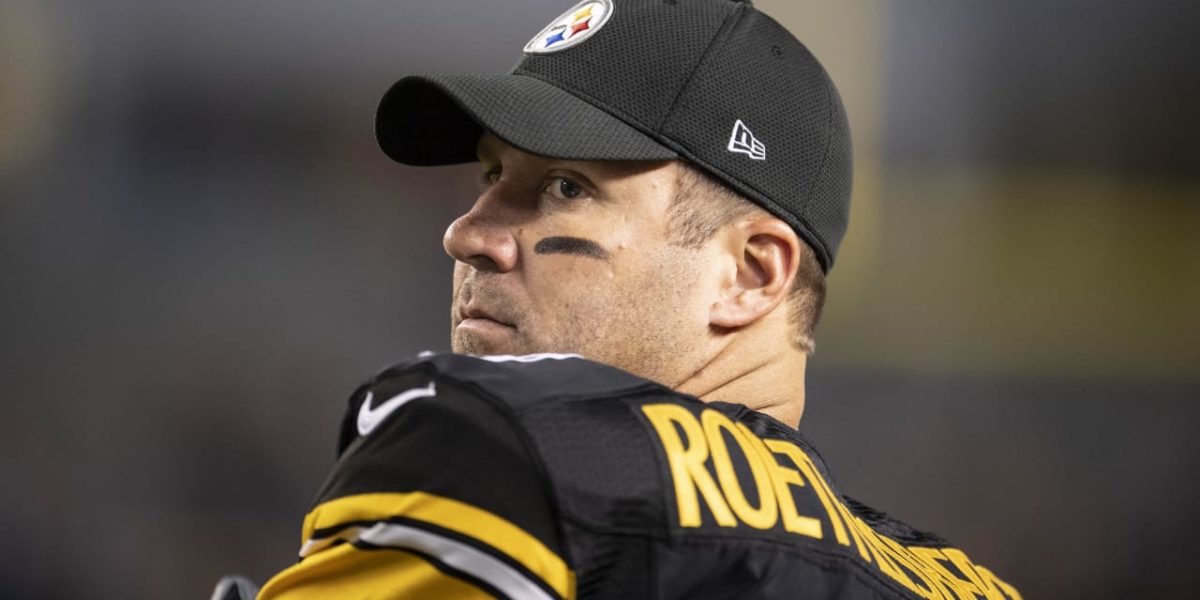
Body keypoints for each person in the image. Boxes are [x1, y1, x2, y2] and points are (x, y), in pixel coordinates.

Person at [233, 0, 1022, 598]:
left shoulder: (504, 453)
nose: (467, 234)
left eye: (565, 186)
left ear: (751, 275)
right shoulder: (962, 586)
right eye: (488, 177)